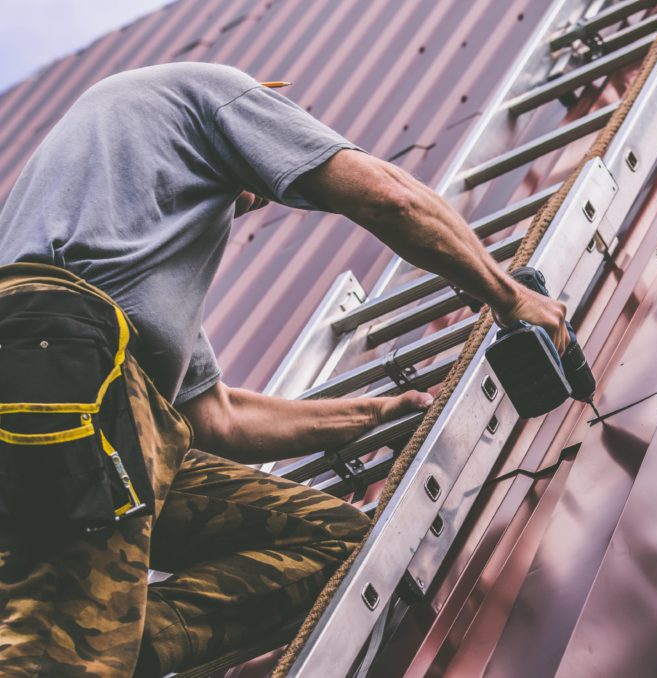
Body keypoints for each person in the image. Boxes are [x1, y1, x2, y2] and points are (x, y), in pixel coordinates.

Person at [0, 62, 568, 677]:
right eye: (264, 184)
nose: (261, 200)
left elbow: (219, 418)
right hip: (66, 390)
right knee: (52, 656)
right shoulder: (215, 94)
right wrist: (507, 294)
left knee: (338, 546)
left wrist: (376, 412)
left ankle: (102, 648)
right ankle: (67, 653)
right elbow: (390, 198)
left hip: (104, 405)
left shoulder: (128, 244)